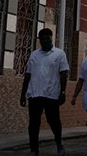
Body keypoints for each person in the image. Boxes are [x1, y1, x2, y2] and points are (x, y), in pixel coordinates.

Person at [20, 28, 69, 156]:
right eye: (43, 39)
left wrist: (63, 92)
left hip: (51, 95)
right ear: (39, 40)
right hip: (35, 94)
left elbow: (64, 73)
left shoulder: (59, 54)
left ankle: (59, 144)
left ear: (51, 38)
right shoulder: (34, 55)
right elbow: (28, 74)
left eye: (48, 38)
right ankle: (34, 150)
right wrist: (23, 94)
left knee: (53, 121)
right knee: (33, 124)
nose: (45, 40)